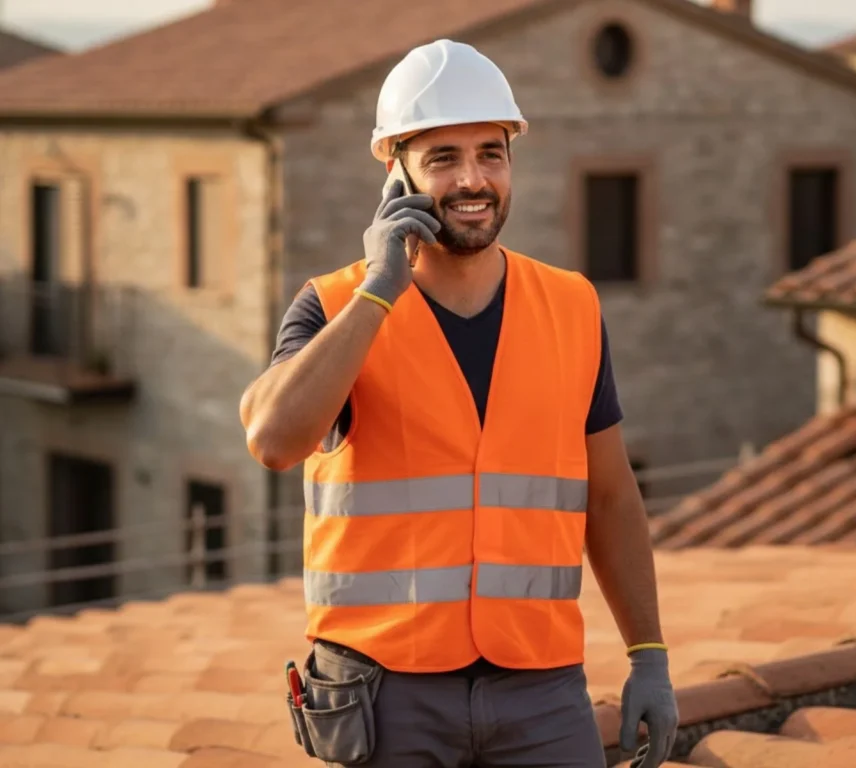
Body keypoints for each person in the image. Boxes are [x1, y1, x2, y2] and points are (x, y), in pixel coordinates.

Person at [240, 38, 678, 768]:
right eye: (442, 157)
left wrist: (650, 656)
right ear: (396, 171)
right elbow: (274, 440)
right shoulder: (334, 304)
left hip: (541, 693)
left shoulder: (571, 305)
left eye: (490, 153)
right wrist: (381, 290)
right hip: (381, 696)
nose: (472, 179)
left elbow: (610, 497)